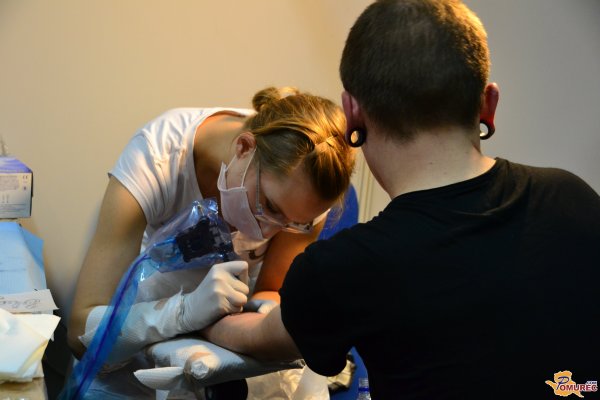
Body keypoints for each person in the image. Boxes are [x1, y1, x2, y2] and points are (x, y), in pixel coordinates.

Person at [201, 1, 600, 399]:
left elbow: (256, 338)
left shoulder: (343, 269)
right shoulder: (573, 198)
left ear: (352, 114)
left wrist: (191, 314)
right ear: (488, 104)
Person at [66, 86, 355, 398]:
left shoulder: (302, 194)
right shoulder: (157, 157)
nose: (267, 234)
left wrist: (263, 316)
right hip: (135, 317)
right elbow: (81, 334)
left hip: (231, 319)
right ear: (244, 148)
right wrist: (183, 313)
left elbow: (270, 289)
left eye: (292, 224)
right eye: (269, 207)